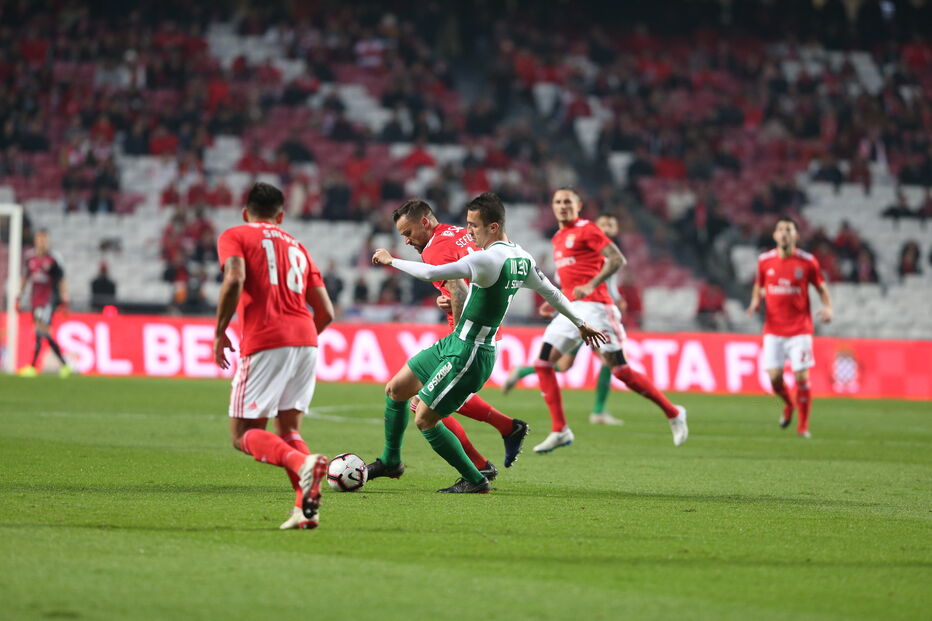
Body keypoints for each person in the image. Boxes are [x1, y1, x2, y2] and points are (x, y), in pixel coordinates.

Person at [370, 192, 607, 493]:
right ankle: (394, 460)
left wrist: (392, 261)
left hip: (469, 350)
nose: (467, 232)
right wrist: (581, 323)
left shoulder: (484, 259)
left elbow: (433, 273)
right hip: (460, 341)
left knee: (424, 418)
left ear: (493, 227)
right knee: (396, 389)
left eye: (473, 226)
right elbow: (553, 294)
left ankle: (476, 478)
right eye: (467, 224)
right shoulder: (522, 258)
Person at [366, 199, 531, 484]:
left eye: (408, 233)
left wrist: (457, 321)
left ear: (425, 223)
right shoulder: (458, 232)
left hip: (466, 340)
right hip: (480, 328)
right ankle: (505, 429)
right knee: (399, 390)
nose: (406, 241)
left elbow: (459, 291)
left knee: (424, 406)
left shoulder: (436, 248)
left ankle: (479, 468)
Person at [213, 182, 336, 530]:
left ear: (245, 212)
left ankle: (301, 464)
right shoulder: (298, 246)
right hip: (307, 339)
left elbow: (234, 278)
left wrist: (219, 330)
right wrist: (301, 338)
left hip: (267, 338)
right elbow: (326, 311)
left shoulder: (235, 234)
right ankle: (304, 510)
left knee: (242, 434)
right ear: (281, 215)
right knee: (289, 428)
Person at [531, 189, 688, 453]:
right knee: (543, 362)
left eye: (568, 202)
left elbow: (617, 259)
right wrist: (556, 301)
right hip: (571, 308)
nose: (562, 206)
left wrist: (590, 285)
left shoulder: (587, 229)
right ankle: (560, 430)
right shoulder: (558, 237)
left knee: (620, 371)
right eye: (558, 202)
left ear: (579, 206)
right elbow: (571, 279)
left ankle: (673, 412)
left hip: (597, 308)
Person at [502, 212, 626, 426]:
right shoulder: (588, 251)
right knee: (608, 358)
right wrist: (554, 302)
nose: (607, 226)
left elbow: (608, 286)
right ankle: (598, 412)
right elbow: (570, 282)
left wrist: (618, 299)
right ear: (595, 226)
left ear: (616, 230)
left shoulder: (609, 254)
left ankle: (522, 371)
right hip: (584, 312)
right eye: (603, 223)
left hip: (593, 310)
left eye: (611, 223)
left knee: (564, 365)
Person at [746, 217, 833, 438]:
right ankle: (788, 404)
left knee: (801, 376)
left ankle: (803, 426)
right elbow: (759, 286)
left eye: (789, 229)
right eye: (780, 229)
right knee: (774, 378)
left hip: (800, 330)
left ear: (796, 235)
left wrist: (828, 307)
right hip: (773, 330)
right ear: (775, 235)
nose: (784, 233)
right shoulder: (765, 261)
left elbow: (821, 288)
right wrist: (755, 301)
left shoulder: (807, 262)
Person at [17, 230, 72, 377]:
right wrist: (18, 297)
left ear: (48, 241)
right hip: (35, 300)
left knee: (41, 331)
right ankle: (64, 364)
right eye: (39, 239)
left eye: (44, 240)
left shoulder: (53, 259)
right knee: (44, 333)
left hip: (49, 301)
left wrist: (65, 300)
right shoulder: (30, 258)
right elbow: (25, 278)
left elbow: (61, 280)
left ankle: (33, 366)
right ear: (35, 241)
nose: (41, 242)